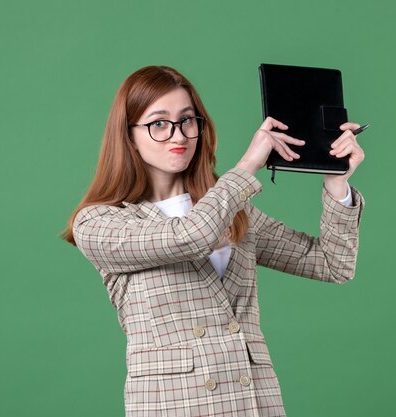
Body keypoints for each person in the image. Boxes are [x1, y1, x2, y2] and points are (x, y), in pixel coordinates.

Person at [61, 65, 365, 417]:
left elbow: (334, 264)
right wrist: (249, 163)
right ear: (128, 135)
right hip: (175, 406)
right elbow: (190, 236)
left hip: (254, 402)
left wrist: (335, 183)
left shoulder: (235, 212)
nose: (178, 136)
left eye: (188, 120)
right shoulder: (100, 223)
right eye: (159, 123)